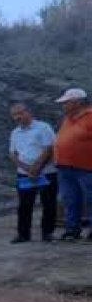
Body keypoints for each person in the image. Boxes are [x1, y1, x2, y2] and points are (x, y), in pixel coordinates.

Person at [8, 103, 58, 243]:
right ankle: (23, 234)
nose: (17, 117)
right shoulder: (15, 132)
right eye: (14, 115)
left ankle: (47, 233)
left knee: (48, 203)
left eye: (20, 113)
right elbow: (13, 154)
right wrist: (26, 169)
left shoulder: (43, 128)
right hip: (24, 174)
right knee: (24, 204)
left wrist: (36, 167)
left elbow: (49, 148)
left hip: (46, 172)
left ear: (28, 112)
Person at [53, 88, 92, 241]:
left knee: (90, 199)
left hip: (86, 167)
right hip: (65, 167)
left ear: (77, 103)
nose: (63, 106)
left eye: (66, 102)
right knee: (70, 199)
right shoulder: (68, 119)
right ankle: (72, 230)